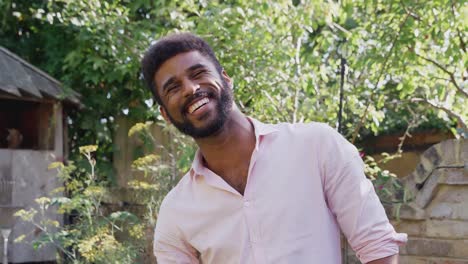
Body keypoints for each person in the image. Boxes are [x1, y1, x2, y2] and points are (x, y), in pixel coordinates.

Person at [141, 33, 407, 264]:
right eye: (173, 88)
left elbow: (377, 245)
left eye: (198, 73)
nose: (190, 88)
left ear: (226, 78)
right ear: (166, 114)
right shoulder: (176, 211)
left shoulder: (316, 146)